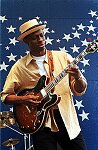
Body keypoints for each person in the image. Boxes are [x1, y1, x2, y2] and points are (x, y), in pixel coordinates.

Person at [1, 19, 87, 150]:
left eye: (42, 35)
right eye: (35, 38)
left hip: (67, 119)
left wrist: (78, 76)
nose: (40, 39)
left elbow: (79, 91)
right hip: (39, 123)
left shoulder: (63, 57)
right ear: (26, 41)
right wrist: (25, 99)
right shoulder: (19, 67)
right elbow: (5, 97)